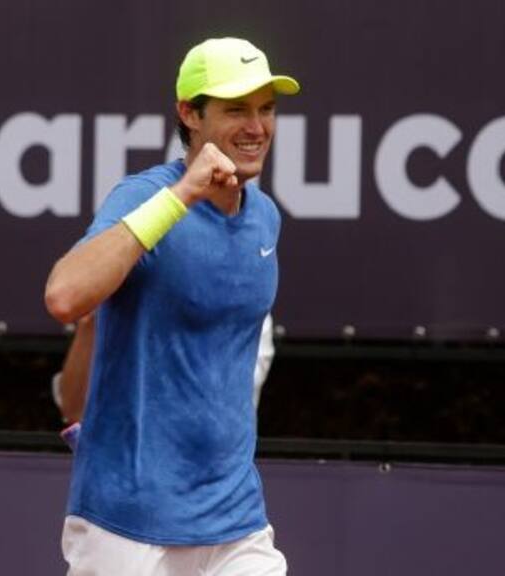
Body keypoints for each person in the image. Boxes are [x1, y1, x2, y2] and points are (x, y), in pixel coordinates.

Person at [44, 37, 299, 576]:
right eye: (236, 110)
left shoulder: (266, 218)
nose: (257, 127)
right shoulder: (146, 197)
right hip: (127, 521)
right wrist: (183, 195)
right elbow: (64, 296)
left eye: (266, 109)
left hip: (235, 520)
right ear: (190, 114)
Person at [52, 313, 276, 426]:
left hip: (211, 497)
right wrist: (92, 322)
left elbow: (212, 408)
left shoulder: (246, 303)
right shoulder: (120, 301)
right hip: (113, 498)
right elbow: (74, 409)